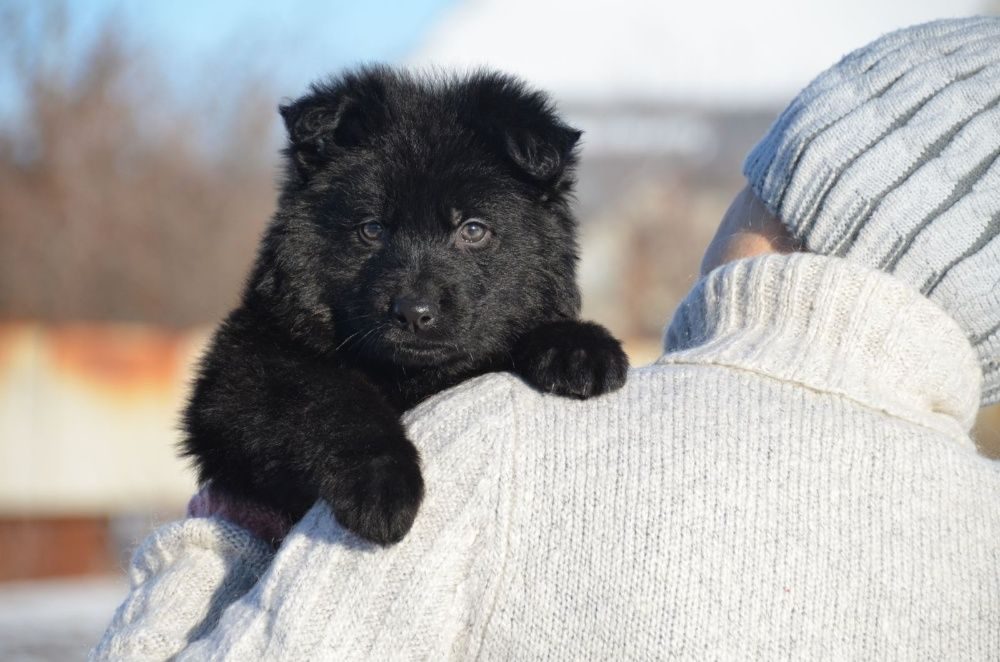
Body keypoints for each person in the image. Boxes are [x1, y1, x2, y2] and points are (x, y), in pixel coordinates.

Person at [92, 16, 1000, 660]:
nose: (414, 294)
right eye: (370, 231)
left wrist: (218, 548)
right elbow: (251, 391)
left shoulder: (504, 451)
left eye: (471, 232)